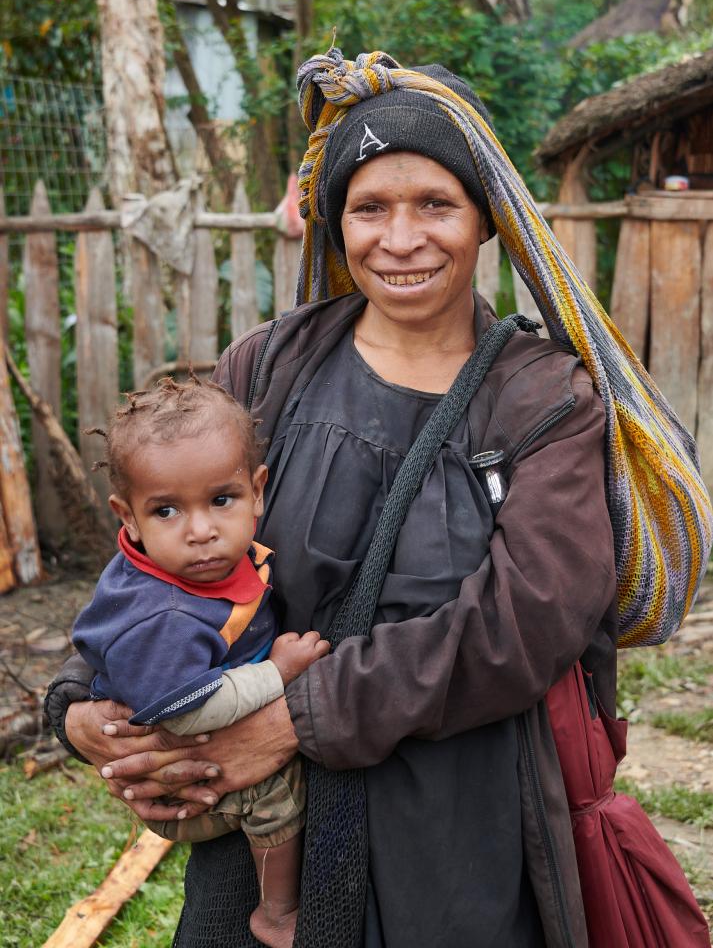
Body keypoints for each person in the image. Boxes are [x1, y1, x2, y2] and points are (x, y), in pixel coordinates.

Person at [45, 49, 710, 948]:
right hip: (266, 831)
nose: (400, 239)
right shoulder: (270, 366)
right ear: (336, 222)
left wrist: (291, 721)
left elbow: (525, 623)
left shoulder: (540, 399)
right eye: (369, 208)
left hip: (457, 819)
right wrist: (82, 704)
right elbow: (169, 544)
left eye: (434, 204)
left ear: (486, 223)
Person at [70, 378, 329, 948]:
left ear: (258, 491)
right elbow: (189, 715)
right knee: (277, 793)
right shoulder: (167, 618)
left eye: (221, 499)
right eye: (166, 510)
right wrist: (278, 673)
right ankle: (278, 911)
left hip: (179, 710)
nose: (202, 531)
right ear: (128, 517)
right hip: (185, 779)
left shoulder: (191, 571)